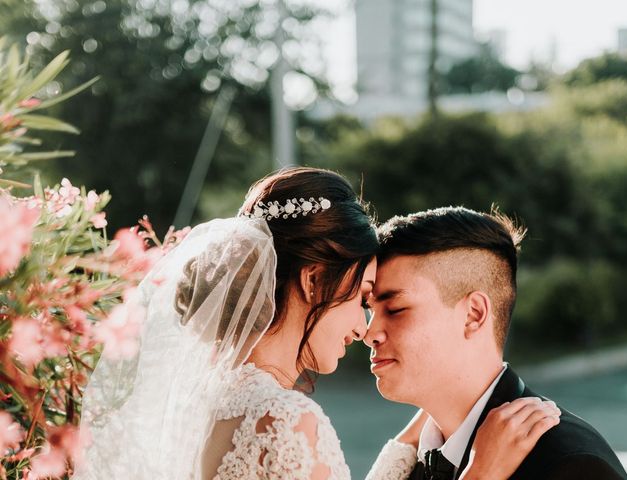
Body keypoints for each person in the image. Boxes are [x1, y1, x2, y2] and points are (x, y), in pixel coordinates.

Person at [73, 168, 559, 480]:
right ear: (313, 281)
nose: (363, 327)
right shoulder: (284, 419)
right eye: (364, 298)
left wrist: (421, 427)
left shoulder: (216, 400)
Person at [365, 206, 627, 480]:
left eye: (395, 309)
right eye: (370, 312)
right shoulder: (413, 459)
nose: (369, 333)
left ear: (473, 315)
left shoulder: (572, 464)